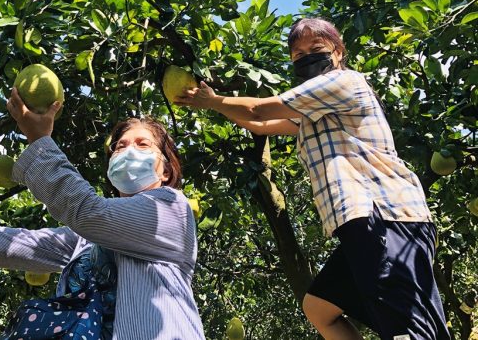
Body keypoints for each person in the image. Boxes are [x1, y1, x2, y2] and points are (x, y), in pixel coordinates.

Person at [175, 17, 450, 340]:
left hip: (387, 214)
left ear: (337, 52)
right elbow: (260, 126)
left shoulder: (344, 82)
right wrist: (217, 105)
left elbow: (259, 111)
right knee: (319, 307)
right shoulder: (314, 111)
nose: (306, 57)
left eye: (316, 48)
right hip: (359, 222)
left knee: (408, 325)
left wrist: (212, 101)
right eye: (297, 54)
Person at [0, 92, 205, 339]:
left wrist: (39, 140)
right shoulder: (91, 239)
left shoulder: (169, 209)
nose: (128, 152)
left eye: (143, 145)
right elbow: (26, 245)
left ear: (165, 170)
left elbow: (88, 212)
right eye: (119, 147)